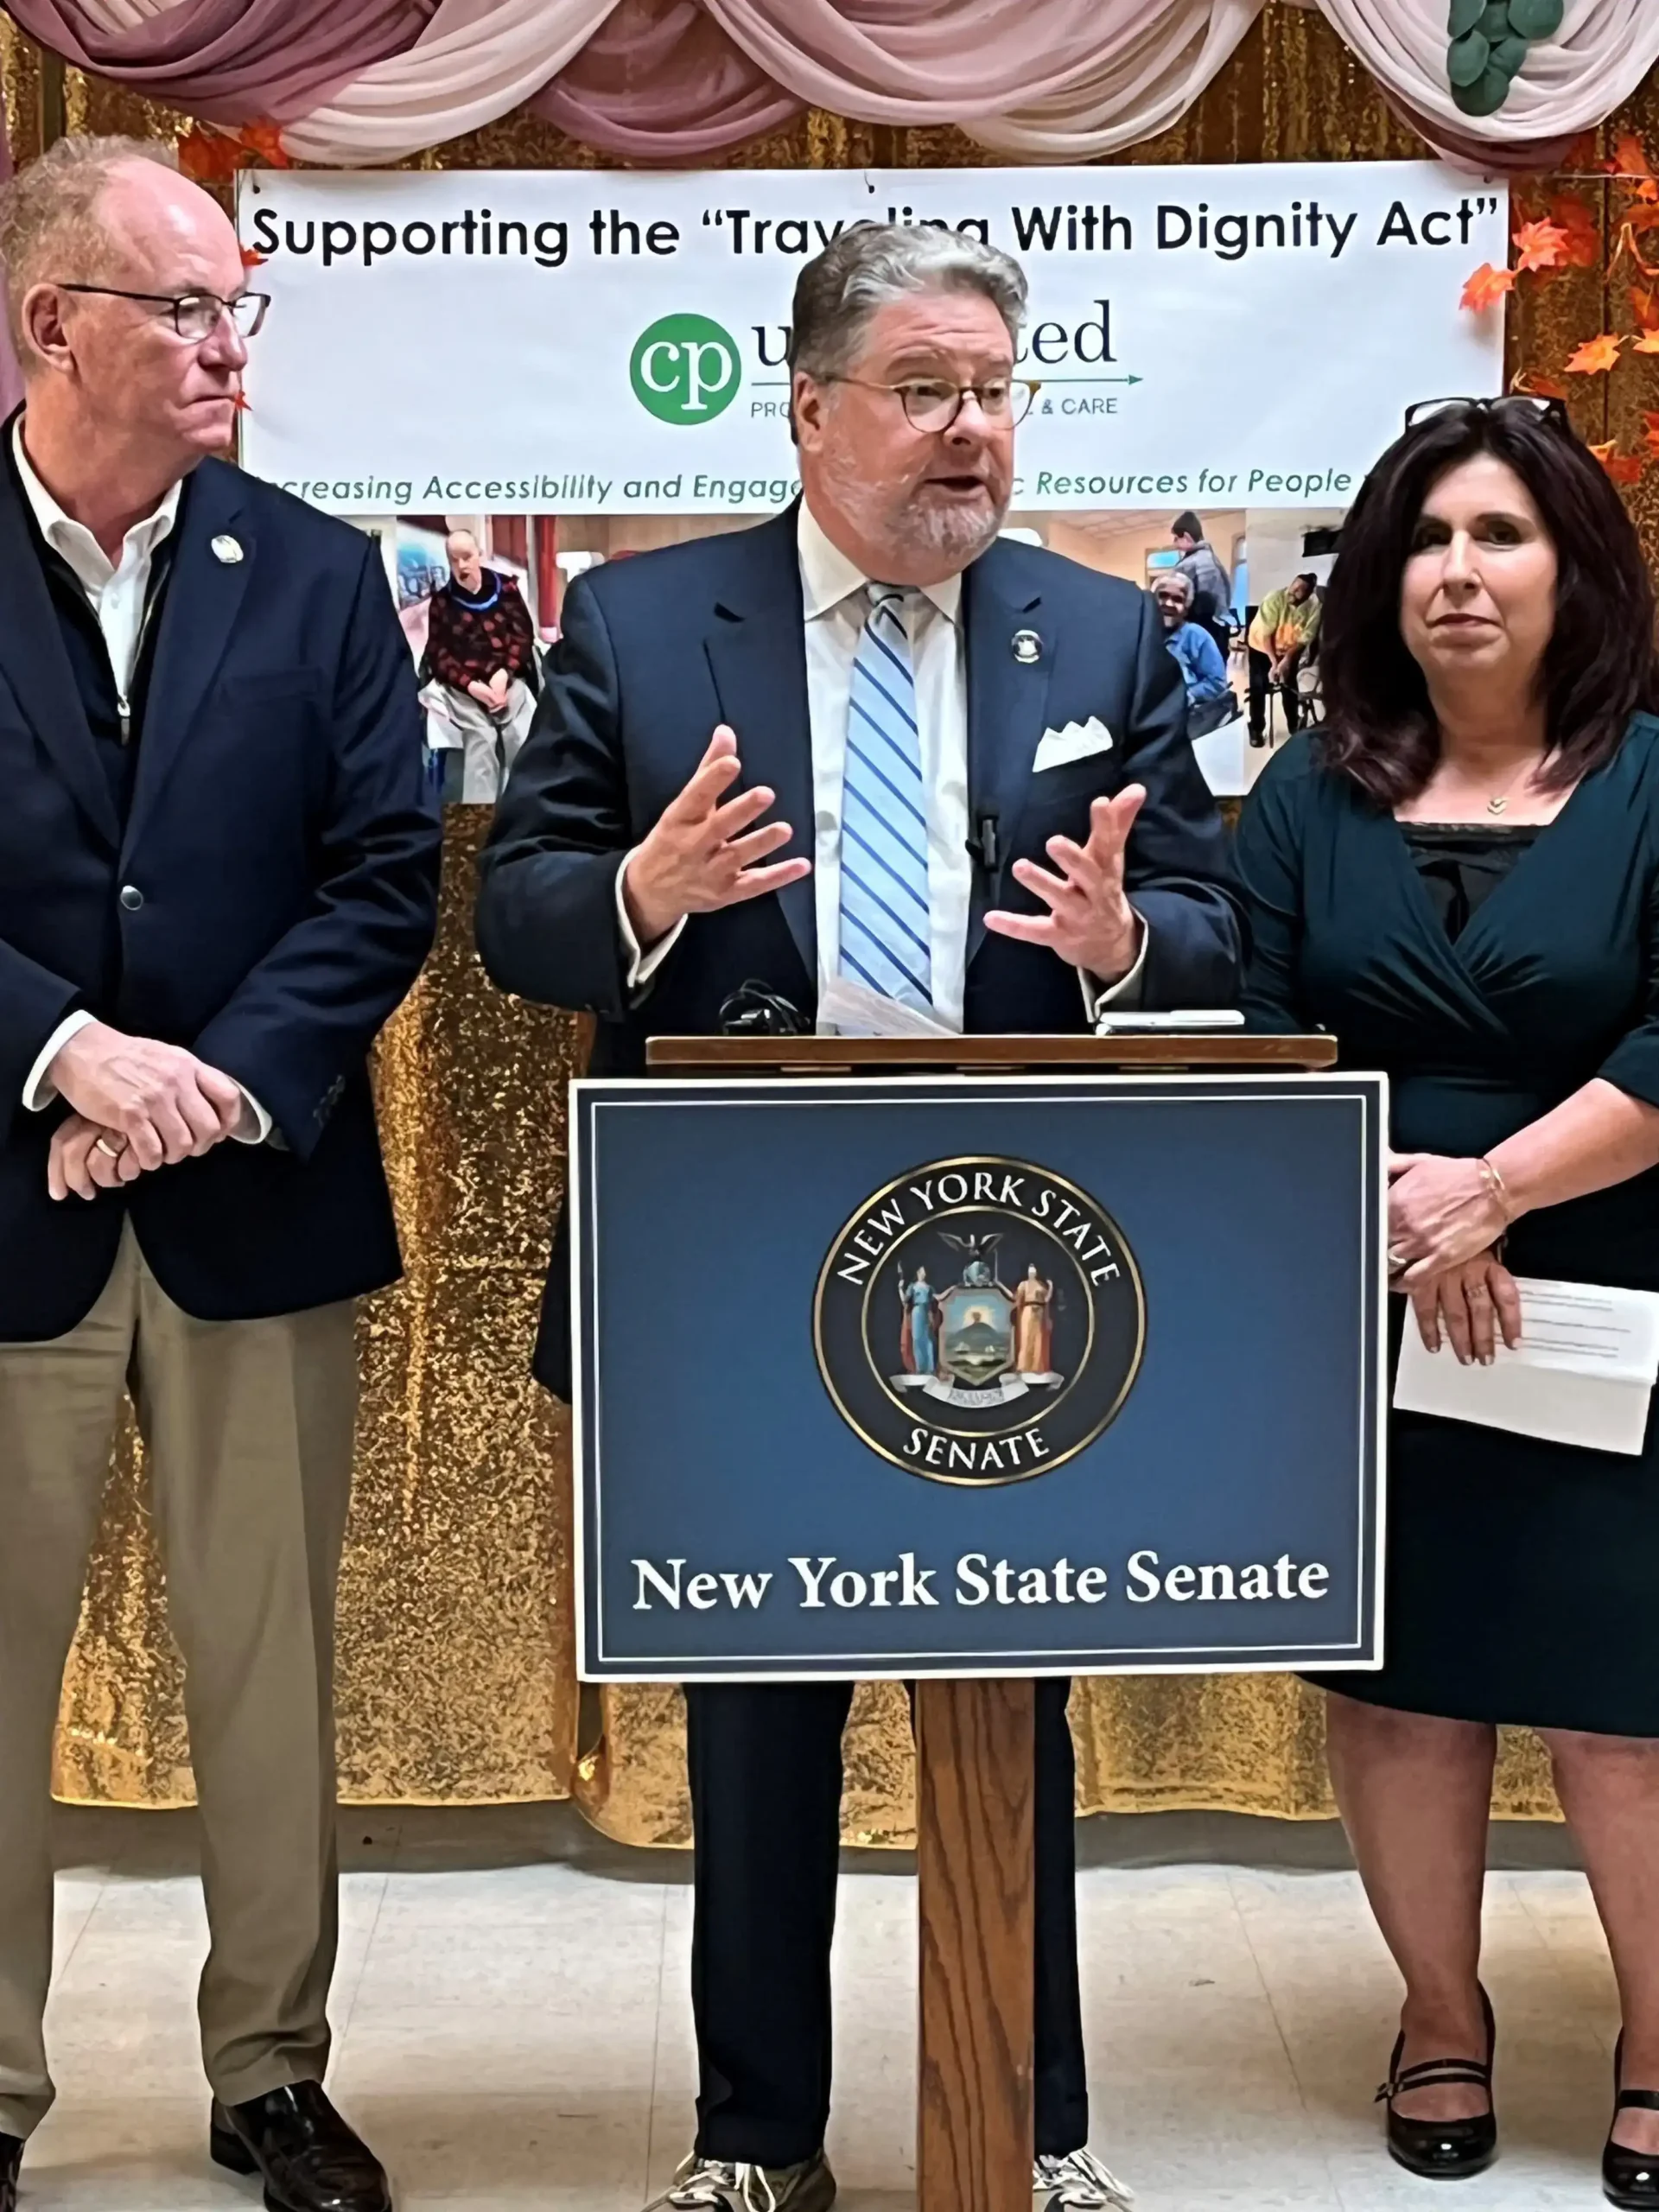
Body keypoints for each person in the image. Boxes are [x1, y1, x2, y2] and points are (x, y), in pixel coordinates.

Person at [476, 220, 1242, 2212]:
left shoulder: (1099, 632)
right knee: (758, 1706)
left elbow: (1229, 923)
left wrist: (1125, 942)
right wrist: (640, 892)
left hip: (1019, 1249)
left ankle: (1029, 2115)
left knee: (1017, 1689)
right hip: (734, 1244)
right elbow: (514, 909)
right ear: (810, 407)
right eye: (923, 389)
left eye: (993, 390)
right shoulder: (647, 628)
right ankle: (756, 2132)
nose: (967, 430)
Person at [0, 138, 440, 2212]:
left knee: (269, 1667)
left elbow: (379, 881)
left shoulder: (323, 570)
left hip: (249, 1201)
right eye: (183, 309)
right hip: (8, 1195)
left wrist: (205, 1086)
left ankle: (271, 2069)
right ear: (48, 322)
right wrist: (64, 1050)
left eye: (237, 309)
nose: (223, 349)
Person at [1235, 393, 1659, 2207]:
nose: (1458, 574)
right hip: (1372, 1286)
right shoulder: (1304, 792)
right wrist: (1418, 1204)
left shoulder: (1654, 774)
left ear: (1578, 568)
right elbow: (1258, 1036)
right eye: (1424, 539)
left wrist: (1500, 1186)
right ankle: (1438, 2013)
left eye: (1500, 535)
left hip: (1622, 1291)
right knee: (1404, 1690)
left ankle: (1655, 2041)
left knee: (1622, 1702)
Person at [421, 526, 538, 800]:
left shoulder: (507, 590)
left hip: (506, 681)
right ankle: (477, 828)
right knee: (481, 738)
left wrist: (504, 674)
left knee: (519, 738)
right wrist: (471, 686)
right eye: (454, 559)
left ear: (479, 556)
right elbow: (439, 656)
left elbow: (523, 637)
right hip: (464, 689)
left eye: (467, 557)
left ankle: (526, 816)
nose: (461, 565)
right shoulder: (442, 603)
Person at [1152, 569, 1233, 736]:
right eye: (1163, 596)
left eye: (1177, 599)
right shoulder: (1140, 632)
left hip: (1182, 722)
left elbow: (1217, 684)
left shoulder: (1196, 636)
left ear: (1186, 609)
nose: (1168, 603)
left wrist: (1184, 696)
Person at [1246, 571, 1320, 747]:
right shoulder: (1275, 598)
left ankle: (1294, 725)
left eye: (1300, 590)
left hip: (1287, 649)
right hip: (1261, 647)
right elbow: (1266, 635)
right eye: (1293, 586)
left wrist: (1286, 660)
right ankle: (1256, 728)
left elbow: (1304, 639)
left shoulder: (1314, 608)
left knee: (1289, 686)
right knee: (1258, 686)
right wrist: (1274, 663)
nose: (1293, 591)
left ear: (1309, 594)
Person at [1170, 508, 1232, 657]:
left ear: (1185, 536)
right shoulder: (1205, 558)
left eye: (1176, 539)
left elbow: (1206, 605)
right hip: (1211, 630)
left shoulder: (1201, 561)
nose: (1174, 544)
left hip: (1206, 631)